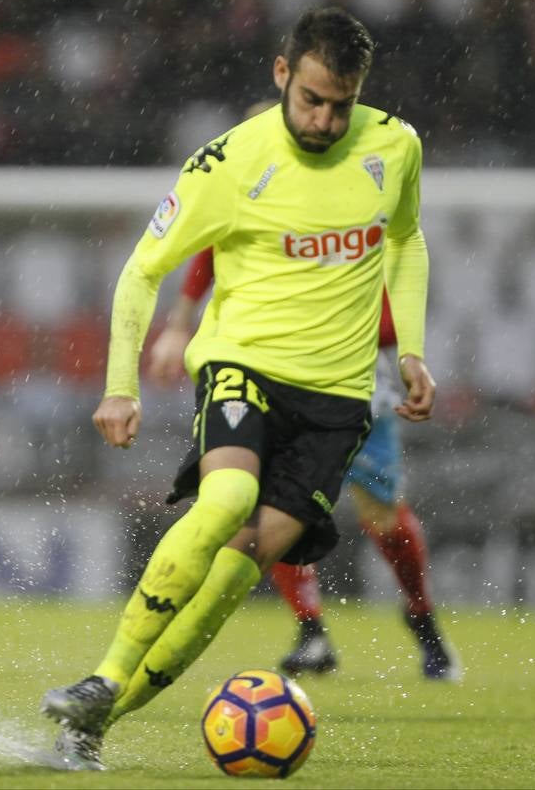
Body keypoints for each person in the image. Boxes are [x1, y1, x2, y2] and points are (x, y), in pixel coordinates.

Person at [40, 7, 434, 770]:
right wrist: (121, 387)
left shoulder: (395, 147)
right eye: (312, 98)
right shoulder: (226, 164)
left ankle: (95, 724)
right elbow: (142, 270)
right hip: (243, 368)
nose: (323, 119)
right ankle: (105, 676)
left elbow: (406, 238)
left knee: (235, 575)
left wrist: (412, 349)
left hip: (339, 402)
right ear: (282, 74)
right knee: (222, 504)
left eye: (340, 104)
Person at [148, 248, 459, 680]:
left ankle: (422, 618)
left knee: (382, 515)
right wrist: (181, 320)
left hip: (352, 378)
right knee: (275, 499)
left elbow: (391, 305)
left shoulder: (359, 202)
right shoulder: (266, 192)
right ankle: (311, 629)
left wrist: (396, 343)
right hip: (274, 371)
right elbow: (214, 241)